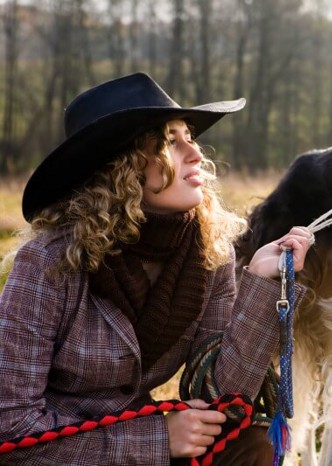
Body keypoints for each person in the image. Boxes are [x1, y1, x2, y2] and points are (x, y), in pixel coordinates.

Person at [0, 73, 313, 465]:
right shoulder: (48, 264)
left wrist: (261, 285)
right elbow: (10, 428)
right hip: (56, 452)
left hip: (137, 441)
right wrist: (157, 439)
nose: (196, 154)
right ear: (122, 166)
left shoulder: (209, 254)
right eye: (170, 141)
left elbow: (220, 398)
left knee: (250, 446)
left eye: (190, 137)